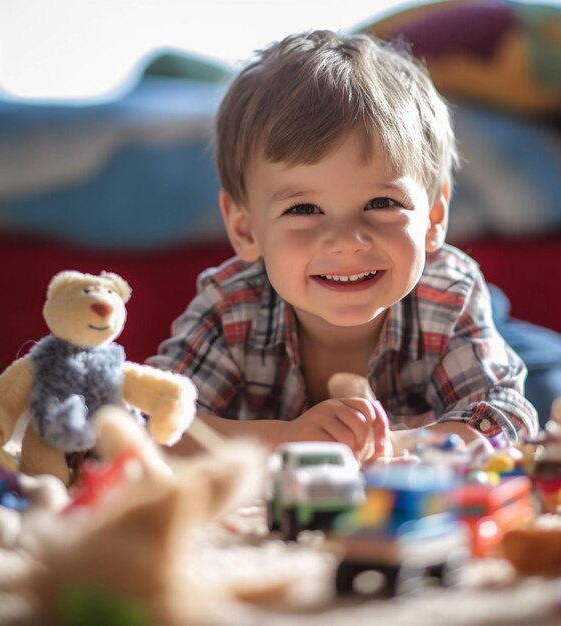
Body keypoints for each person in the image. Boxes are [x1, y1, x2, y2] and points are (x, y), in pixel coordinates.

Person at [148, 30, 538, 458]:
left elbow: (506, 421)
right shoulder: (231, 305)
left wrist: (390, 446)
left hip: (474, 321)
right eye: (303, 209)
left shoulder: (450, 296)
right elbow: (149, 423)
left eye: (381, 202)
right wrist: (289, 440)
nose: (347, 241)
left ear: (434, 217)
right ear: (244, 230)